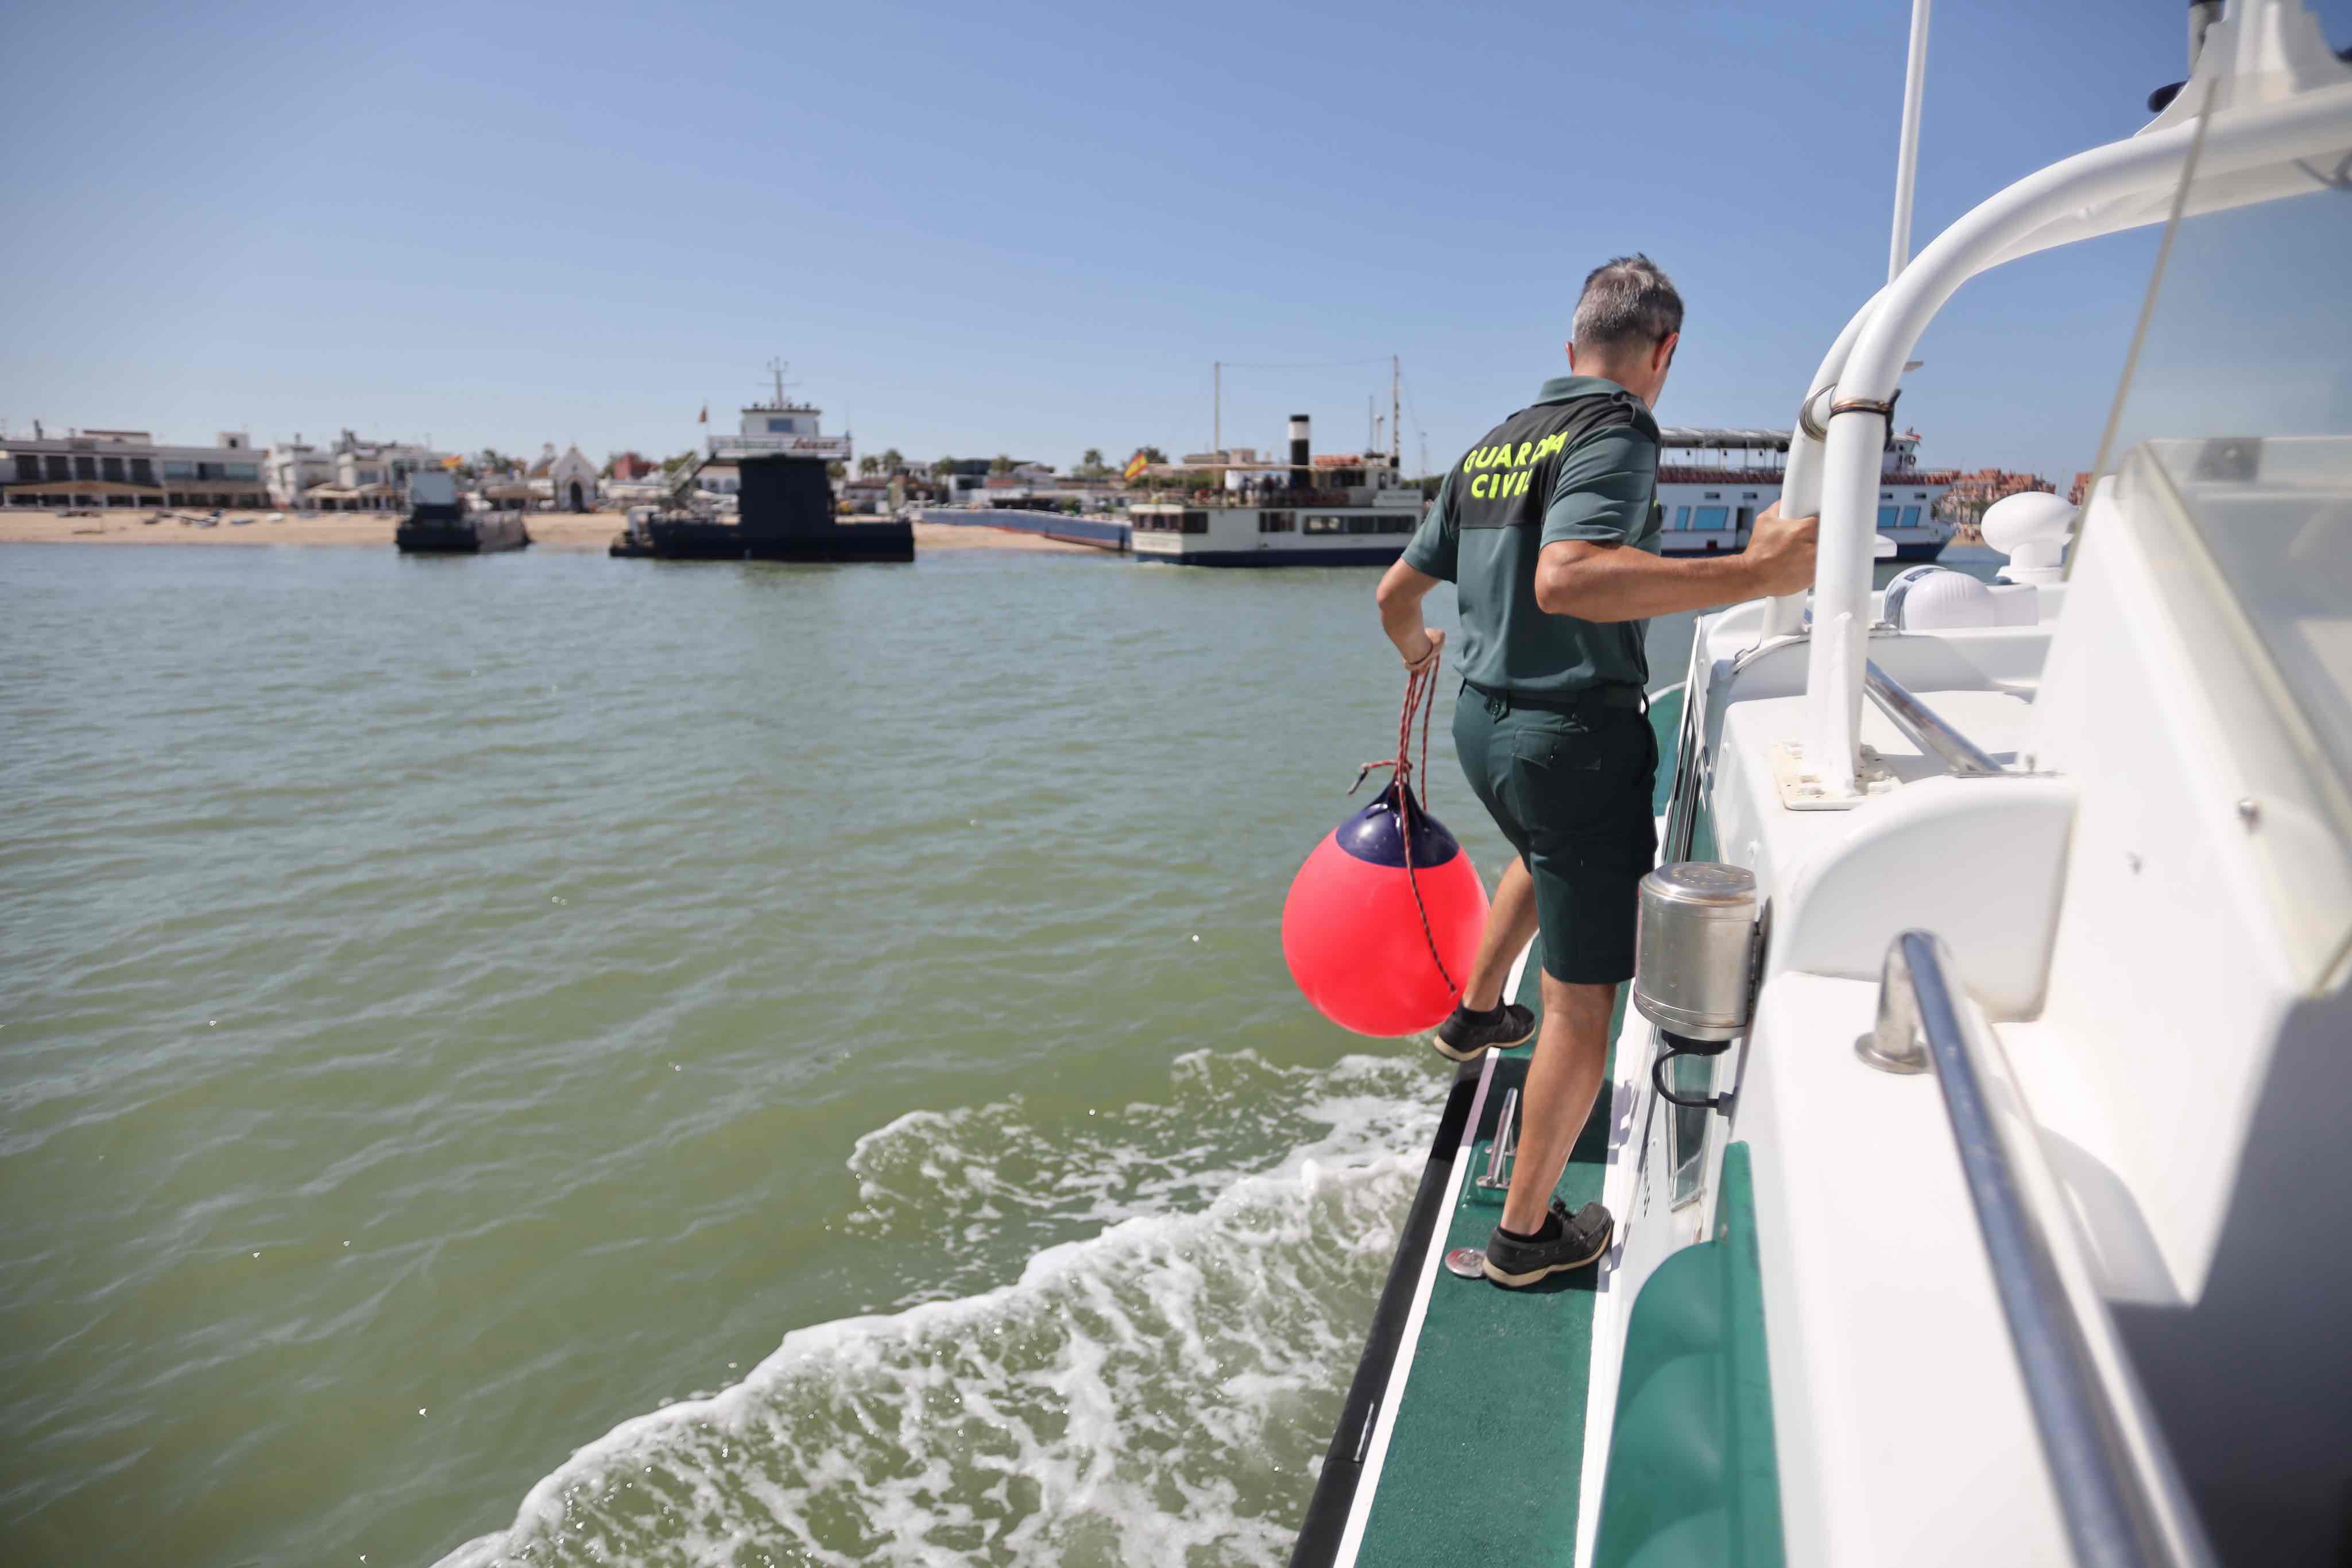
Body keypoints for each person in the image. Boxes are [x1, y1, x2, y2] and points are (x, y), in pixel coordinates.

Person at [1373, 254, 1817, 1288]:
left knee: (1541, 853)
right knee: (1584, 997)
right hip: (1570, 739)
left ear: (1569, 345)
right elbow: (1568, 578)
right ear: (1663, 352)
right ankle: (1528, 1237)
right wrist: (1757, 573)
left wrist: (1420, 651)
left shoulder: (1491, 445)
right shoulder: (1613, 431)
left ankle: (1476, 1012)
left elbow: (1397, 595)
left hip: (1484, 730)